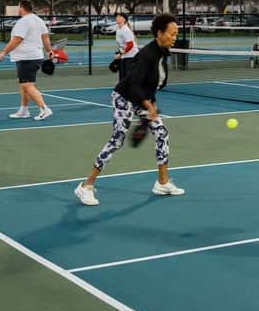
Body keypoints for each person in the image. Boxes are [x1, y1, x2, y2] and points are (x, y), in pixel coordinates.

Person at [74, 14, 185, 206]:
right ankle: (85, 186)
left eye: (176, 33)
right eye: (172, 33)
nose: (175, 37)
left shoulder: (162, 53)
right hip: (124, 98)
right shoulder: (147, 54)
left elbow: (151, 85)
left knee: (162, 133)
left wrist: (151, 104)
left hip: (142, 100)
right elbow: (134, 85)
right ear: (160, 34)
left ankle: (162, 183)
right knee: (117, 140)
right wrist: (149, 106)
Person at [0, 0, 54, 121]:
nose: (18, 9)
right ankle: (24, 110)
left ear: (22, 8)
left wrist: (4, 52)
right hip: (34, 56)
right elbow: (45, 37)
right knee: (24, 84)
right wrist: (49, 51)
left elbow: (17, 39)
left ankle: (44, 108)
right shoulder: (39, 20)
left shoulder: (24, 22)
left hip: (27, 58)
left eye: (18, 7)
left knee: (26, 85)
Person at [114, 12, 139, 81]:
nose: (117, 18)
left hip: (131, 56)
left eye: (119, 17)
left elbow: (130, 45)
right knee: (122, 77)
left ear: (124, 20)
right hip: (125, 56)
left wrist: (120, 54)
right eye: (116, 17)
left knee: (128, 77)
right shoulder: (118, 29)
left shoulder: (125, 30)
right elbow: (121, 44)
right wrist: (118, 52)